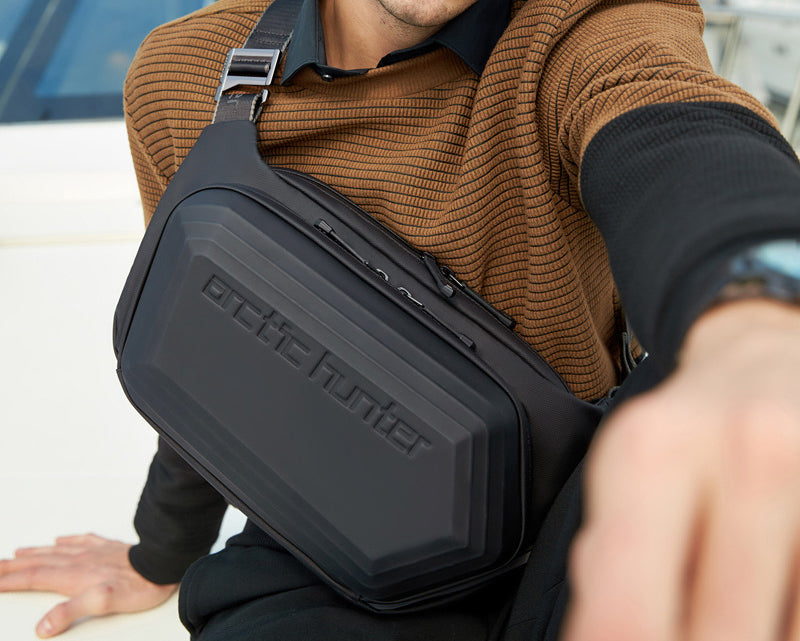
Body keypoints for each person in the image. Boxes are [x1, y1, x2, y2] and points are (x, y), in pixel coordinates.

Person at [2, 0, 800, 639]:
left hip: (580, 514)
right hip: (339, 526)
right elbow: (213, 351)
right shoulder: (183, 75)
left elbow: (681, 138)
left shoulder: (583, 28)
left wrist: (757, 321)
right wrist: (160, 550)